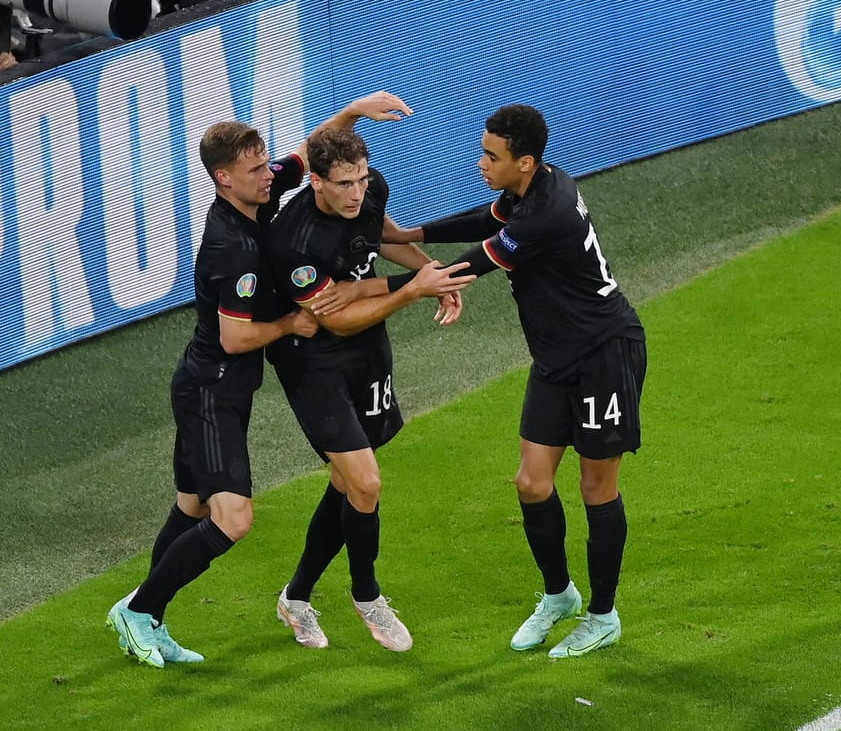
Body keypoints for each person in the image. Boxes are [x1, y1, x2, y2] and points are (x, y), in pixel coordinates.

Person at [105, 92, 415, 668]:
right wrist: (292, 321)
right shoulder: (235, 246)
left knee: (193, 507)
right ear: (223, 179)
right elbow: (235, 338)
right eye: (255, 170)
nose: (270, 176)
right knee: (233, 518)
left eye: (265, 162)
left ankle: (148, 614)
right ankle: (139, 611)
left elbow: (305, 154)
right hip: (212, 390)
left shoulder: (258, 193)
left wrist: (352, 110)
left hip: (223, 387)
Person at [389, 104, 646, 658]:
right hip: (555, 358)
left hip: (603, 353)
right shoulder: (534, 188)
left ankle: (603, 615)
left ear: (524, 162)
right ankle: (559, 595)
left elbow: (479, 261)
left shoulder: (546, 213)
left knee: (596, 487)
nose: (481, 163)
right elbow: (489, 220)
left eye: (491, 156)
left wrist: (395, 286)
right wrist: (411, 233)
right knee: (531, 484)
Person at [265, 125, 475, 653]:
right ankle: (367, 596)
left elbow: (380, 239)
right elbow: (336, 319)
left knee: (348, 482)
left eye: (361, 178)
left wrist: (435, 274)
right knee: (366, 482)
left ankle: (296, 597)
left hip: (368, 352)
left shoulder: (369, 190)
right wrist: (413, 290)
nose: (358, 192)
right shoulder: (293, 242)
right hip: (313, 362)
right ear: (316, 182)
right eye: (344, 184)